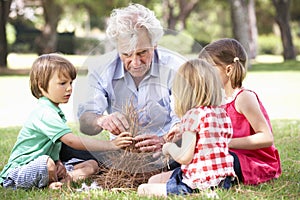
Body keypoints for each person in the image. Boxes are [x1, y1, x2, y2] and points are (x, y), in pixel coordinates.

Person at [60, 3, 186, 166]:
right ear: (117, 47)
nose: (135, 62)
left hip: (166, 151)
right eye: (126, 54)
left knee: (190, 149)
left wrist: (164, 140)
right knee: (65, 147)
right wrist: (101, 120)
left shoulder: (177, 67)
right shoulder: (101, 69)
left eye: (142, 53)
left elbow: (186, 121)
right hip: (122, 152)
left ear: (154, 45)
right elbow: (85, 121)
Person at [0, 54, 133, 190]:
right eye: (62, 83)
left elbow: (52, 147)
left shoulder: (54, 110)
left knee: (91, 165)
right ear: (41, 86)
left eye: (70, 83)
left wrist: (59, 163)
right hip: (18, 173)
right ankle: (51, 183)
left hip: (48, 165)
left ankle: (62, 181)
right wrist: (110, 145)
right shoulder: (45, 113)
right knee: (47, 164)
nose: (69, 88)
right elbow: (71, 141)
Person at [137, 59, 236, 197]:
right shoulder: (220, 113)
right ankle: (207, 192)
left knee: (143, 189)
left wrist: (168, 148)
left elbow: (185, 157)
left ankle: (196, 194)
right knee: (154, 180)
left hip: (198, 181)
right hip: (222, 179)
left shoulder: (193, 115)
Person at [198, 38, 281, 185]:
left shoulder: (243, 98)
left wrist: (225, 143)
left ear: (229, 70)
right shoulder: (217, 99)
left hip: (254, 162)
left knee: (213, 157)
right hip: (231, 154)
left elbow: (266, 137)